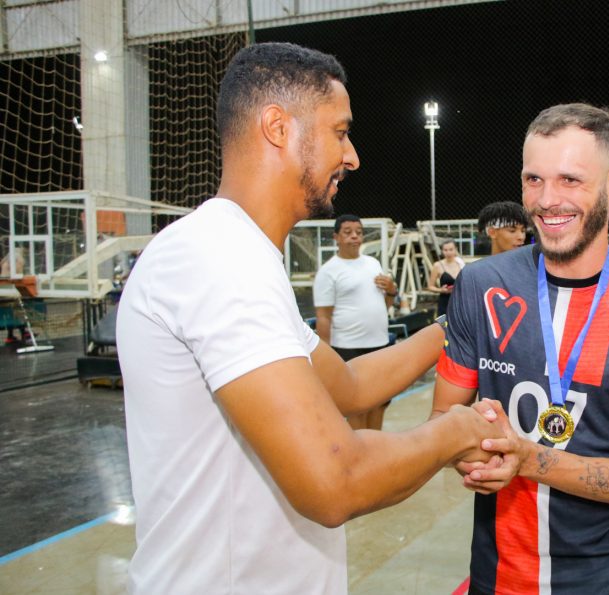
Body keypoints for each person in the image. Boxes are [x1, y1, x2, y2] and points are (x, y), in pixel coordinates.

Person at [115, 43, 502, 594]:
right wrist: (454, 431)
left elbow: (347, 384)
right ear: (278, 127)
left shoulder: (234, 256)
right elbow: (334, 481)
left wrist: (456, 325)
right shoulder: (218, 261)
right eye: (340, 132)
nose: (352, 156)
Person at [431, 103, 609, 593]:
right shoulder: (482, 284)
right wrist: (469, 449)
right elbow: (442, 422)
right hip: (498, 575)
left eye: (570, 180)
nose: (547, 200)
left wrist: (526, 458)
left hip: (608, 579)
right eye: (533, 180)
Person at [314, 213, 398, 430]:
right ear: (336, 237)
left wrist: (392, 290)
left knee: (380, 403)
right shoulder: (328, 271)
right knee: (357, 406)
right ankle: (362, 454)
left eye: (359, 233)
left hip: (379, 345)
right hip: (348, 347)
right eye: (348, 232)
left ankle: (376, 450)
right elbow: (324, 316)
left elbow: (385, 304)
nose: (355, 237)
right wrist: (325, 355)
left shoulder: (372, 263)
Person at [427, 239, 464, 316]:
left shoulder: (460, 264)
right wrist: (441, 290)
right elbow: (430, 286)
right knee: (444, 326)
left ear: (455, 249)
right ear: (442, 251)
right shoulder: (437, 265)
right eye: (445, 250)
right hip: (445, 302)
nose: (448, 252)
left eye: (451, 249)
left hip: (460, 300)